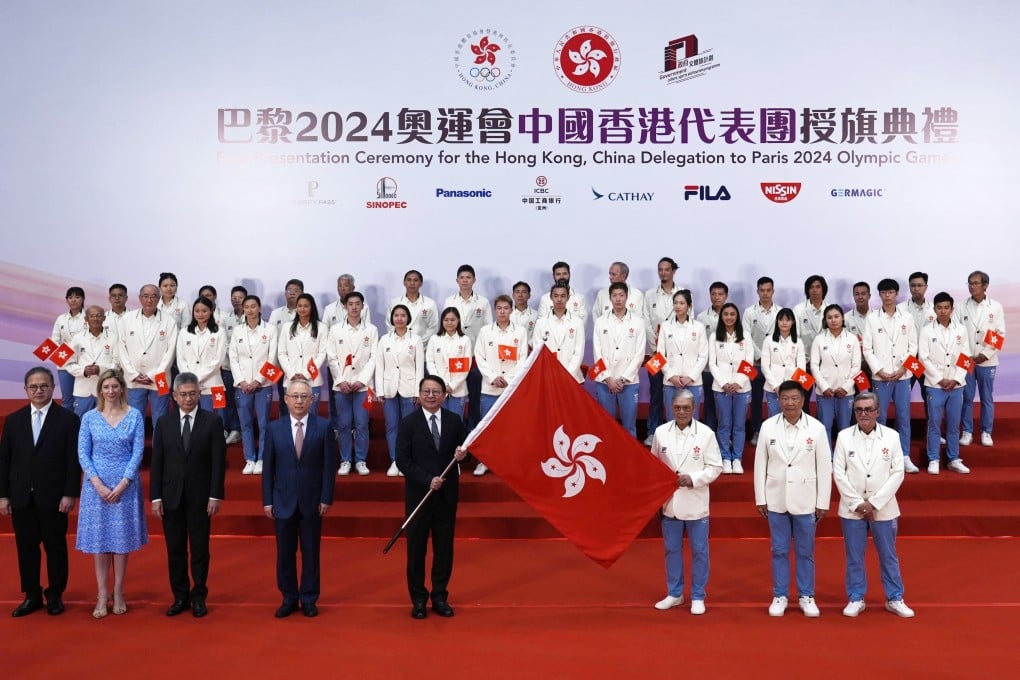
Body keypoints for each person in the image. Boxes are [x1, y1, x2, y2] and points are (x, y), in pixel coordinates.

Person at [0, 367, 81, 617]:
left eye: (44, 386)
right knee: (26, 548)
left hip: (54, 497)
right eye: (33, 386)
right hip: (22, 497)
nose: (39, 390)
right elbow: (4, 460)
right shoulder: (14, 420)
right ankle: (31, 595)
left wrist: (70, 493)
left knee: (55, 547)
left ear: (53, 388)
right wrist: (3, 495)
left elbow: (72, 460)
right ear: (25, 390)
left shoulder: (68, 419)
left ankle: (55, 594)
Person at [150, 372, 227, 618]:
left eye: (192, 393)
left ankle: (199, 596)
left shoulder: (212, 422)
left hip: (201, 499)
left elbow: (218, 462)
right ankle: (180, 596)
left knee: (200, 550)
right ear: (174, 396)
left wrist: (215, 496)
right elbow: (157, 462)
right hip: (171, 497)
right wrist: (156, 497)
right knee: (175, 550)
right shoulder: (164, 423)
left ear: (199, 394)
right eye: (183, 394)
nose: (188, 398)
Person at [832, 391, 914, 618]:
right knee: (854, 556)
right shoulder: (844, 436)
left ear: (878, 411)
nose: (863, 414)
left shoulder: (892, 437)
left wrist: (874, 503)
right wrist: (858, 503)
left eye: (868, 409)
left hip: (884, 508)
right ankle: (856, 597)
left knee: (888, 555)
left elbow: (898, 473)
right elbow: (839, 473)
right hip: (852, 508)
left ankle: (895, 597)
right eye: (859, 410)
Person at [754, 380, 832, 618]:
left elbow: (824, 468)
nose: (789, 403)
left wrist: (823, 502)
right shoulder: (768, 427)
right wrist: (760, 497)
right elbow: (760, 465)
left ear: (803, 400)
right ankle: (780, 595)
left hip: (806, 500)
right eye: (785, 398)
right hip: (776, 498)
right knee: (778, 550)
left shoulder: (816, 429)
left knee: (805, 551)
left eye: (794, 398)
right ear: (779, 401)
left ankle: (807, 595)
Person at [76, 369, 148, 619]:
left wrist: (122, 484)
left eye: (114, 386)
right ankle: (101, 594)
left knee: (120, 541)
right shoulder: (89, 418)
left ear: (122, 389)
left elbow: (137, 452)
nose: (110, 391)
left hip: (125, 487)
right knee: (100, 542)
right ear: (100, 391)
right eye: (106, 387)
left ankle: (118, 592)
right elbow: (83, 453)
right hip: (96, 487)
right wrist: (97, 484)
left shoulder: (135, 416)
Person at [262, 378, 336, 618]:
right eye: (294, 396)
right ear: (285, 399)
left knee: (311, 552)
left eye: (304, 396)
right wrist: (267, 500)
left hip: (312, 502)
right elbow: (268, 468)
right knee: (284, 553)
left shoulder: (324, 427)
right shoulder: (274, 428)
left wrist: (326, 498)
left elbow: (328, 467)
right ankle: (288, 597)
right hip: (282, 501)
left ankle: (309, 597)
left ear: (312, 399)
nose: (299, 400)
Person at [396, 375, 469, 619]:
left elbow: (464, 451)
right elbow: (403, 460)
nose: (430, 395)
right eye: (426, 391)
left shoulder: (454, 420)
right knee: (416, 549)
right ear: (419, 394)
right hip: (419, 496)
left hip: (447, 496)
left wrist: (462, 455)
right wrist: (427, 479)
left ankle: (440, 596)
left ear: (444, 395)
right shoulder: (408, 423)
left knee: (444, 548)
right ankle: (418, 599)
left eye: (435, 391)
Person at [650, 390, 722, 615]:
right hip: (670, 502)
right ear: (671, 408)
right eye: (677, 407)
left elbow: (715, 467)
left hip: (695, 500)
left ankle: (698, 595)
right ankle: (675, 593)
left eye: (686, 408)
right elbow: (654, 466)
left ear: (695, 408)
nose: (681, 412)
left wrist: (694, 479)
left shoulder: (706, 434)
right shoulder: (661, 432)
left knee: (700, 551)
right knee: (672, 550)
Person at [862, 279, 919, 473]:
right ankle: (881, 456)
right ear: (879, 295)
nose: (887, 295)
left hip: (902, 376)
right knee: (881, 415)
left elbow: (914, 346)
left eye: (891, 292)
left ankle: (904, 455)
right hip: (881, 376)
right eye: (884, 292)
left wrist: (903, 369)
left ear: (896, 294)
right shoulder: (872, 319)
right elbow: (867, 349)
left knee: (904, 416)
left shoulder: (907, 318)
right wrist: (879, 371)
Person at [473, 295, 529, 474]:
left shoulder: (519, 332)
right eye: (499, 308)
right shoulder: (485, 332)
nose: (503, 311)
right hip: (490, 387)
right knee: (488, 426)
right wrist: (492, 377)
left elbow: (522, 358)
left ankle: (509, 461)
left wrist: (509, 380)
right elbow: (480, 358)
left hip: (511, 388)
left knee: (512, 427)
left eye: (506, 308)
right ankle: (484, 461)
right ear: (495, 310)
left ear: (511, 310)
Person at [919, 292, 972, 474]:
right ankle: (933, 458)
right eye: (939, 307)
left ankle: (953, 458)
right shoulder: (926, 331)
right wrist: (939, 379)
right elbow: (923, 358)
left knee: (953, 423)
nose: (943, 311)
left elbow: (966, 357)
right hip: (935, 385)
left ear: (952, 309)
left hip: (957, 385)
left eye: (946, 307)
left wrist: (956, 378)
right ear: (934, 309)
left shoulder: (961, 330)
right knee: (934, 423)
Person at [327, 291, 378, 476]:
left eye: (358, 304)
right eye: (351, 304)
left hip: (364, 387)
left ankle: (361, 460)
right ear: (346, 307)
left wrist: (361, 380)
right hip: (342, 386)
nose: (354, 307)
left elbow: (374, 357)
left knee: (362, 423)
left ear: (363, 307)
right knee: (344, 424)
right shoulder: (335, 330)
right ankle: (346, 459)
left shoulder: (371, 330)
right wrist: (340, 380)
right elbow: (331, 358)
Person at [229, 294, 278, 475]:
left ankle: (262, 458)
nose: (249, 310)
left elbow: (271, 358)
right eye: (246, 307)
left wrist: (258, 380)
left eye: (253, 306)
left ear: (259, 308)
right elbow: (233, 357)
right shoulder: (237, 331)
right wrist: (242, 381)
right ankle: (249, 458)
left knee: (264, 423)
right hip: (242, 385)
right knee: (246, 423)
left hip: (262, 385)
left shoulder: (270, 330)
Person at [956, 270, 1006, 448]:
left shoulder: (996, 307)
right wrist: (967, 355)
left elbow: (999, 334)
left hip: (988, 360)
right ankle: (967, 431)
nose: (972, 286)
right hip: (966, 359)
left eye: (976, 283)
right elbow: (956, 333)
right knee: (966, 397)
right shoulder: (961, 307)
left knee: (986, 397)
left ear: (985, 286)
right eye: (969, 282)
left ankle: (986, 432)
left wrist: (985, 353)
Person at [118, 284, 178, 426]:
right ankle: (136, 448)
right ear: (140, 298)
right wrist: (133, 374)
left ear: (159, 299)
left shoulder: (169, 321)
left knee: (161, 418)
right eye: (145, 296)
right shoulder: (127, 319)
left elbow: (171, 352)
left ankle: (159, 448)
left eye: (153, 296)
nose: (149, 300)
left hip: (161, 378)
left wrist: (154, 375)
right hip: (134, 378)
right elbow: (121, 349)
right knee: (134, 418)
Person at [592, 282, 646, 438]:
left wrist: (622, 380)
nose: (618, 299)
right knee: (605, 424)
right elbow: (597, 353)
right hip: (605, 381)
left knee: (629, 426)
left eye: (621, 295)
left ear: (627, 297)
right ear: (609, 298)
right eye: (614, 296)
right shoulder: (601, 321)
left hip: (628, 381)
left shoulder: (637, 322)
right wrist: (608, 378)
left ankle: (630, 459)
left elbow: (639, 354)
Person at [377, 304, 424, 476]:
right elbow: (379, 366)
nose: (399, 318)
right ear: (392, 318)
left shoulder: (416, 339)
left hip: (409, 388)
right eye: (396, 315)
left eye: (403, 315)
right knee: (392, 426)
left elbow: (420, 367)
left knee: (409, 427)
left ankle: (407, 461)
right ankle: (395, 460)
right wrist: (380, 390)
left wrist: (418, 392)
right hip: (389, 389)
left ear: (408, 318)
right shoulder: (384, 339)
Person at [443, 265, 491, 430]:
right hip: (455, 355)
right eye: (462, 277)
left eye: (468, 277)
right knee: (457, 393)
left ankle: (473, 430)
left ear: (474, 280)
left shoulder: (483, 302)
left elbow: (487, 329)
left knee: (475, 395)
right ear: (457, 280)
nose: (465, 280)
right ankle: (457, 430)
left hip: (476, 356)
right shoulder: (450, 301)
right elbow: (447, 326)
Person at [708, 303, 754, 474]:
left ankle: (737, 459)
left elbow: (749, 363)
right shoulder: (714, 336)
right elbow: (712, 363)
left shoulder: (746, 336)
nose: (729, 317)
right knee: (724, 424)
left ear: (737, 316)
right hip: (721, 388)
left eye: (732, 314)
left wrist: (738, 382)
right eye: (726, 314)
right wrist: (724, 383)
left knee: (739, 425)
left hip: (742, 388)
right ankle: (726, 458)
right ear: (721, 317)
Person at [811, 304, 861, 444]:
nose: (833, 320)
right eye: (830, 317)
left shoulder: (852, 339)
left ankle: (843, 457)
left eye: (836, 316)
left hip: (846, 391)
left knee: (845, 428)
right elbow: (814, 365)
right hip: (825, 391)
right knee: (825, 426)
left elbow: (856, 366)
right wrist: (824, 386)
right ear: (825, 320)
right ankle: (828, 458)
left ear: (843, 318)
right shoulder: (819, 339)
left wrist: (846, 387)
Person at [644, 257, 681, 443]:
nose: (663, 273)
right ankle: (653, 430)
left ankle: (675, 429)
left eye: (667, 269)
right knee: (656, 392)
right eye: (660, 269)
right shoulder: (650, 295)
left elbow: (684, 323)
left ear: (674, 271)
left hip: (676, 355)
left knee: (676, 393)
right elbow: (646, 322)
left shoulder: (682, 293)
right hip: (654, 355)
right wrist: (656, 347)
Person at [657, 289, 708, 421]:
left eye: (681, 303)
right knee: (671, 418)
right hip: (670, 381)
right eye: (675, 303)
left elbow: (703, 356)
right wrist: (671, 376)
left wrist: (690, 377)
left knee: (692, 418)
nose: (678, 306)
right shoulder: (665, 326)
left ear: (689, 306)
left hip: (693, 381)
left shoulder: (698, 327)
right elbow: (659, 355)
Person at [65, 305, 120, 417]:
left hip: (106, 390)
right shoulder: (77, 338)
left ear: (104, 318)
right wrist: (83, 371)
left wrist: (101, 369)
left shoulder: (113, 337)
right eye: (92, 316)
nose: (95, 319)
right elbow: (68, 363)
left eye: (99, 316)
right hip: (82, 390)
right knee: (81, 424)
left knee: (106, 423)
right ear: (86, 319)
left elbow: (118, 364)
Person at [175, 297, 228, 413]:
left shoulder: (219, 332)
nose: (200, 314)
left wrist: (196, 377)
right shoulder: (185, 332)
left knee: (212, 420)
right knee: (190, 418)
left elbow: (218, 360)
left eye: (204, 311)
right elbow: (180, 359)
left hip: (212, 383)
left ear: (211, 311)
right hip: (188, 385)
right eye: (197, 311)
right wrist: (190, 379)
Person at [277, 293, 327, 405]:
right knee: (294, 416)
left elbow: (322, 354)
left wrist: (306, 373)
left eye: (306, 306)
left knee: (312, 415)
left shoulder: (321, 328)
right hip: (291, 378)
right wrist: (291, 373)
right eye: (299, 306)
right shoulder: (287, 327)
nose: (302, 309)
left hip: (312, 380)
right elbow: (281, 353)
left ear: (311, 307)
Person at [532, 282, 586, 383]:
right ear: (551, 297)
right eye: (556, 296)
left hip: (572, 377)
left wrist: (567, 374)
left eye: (563, 296)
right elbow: (537, 351)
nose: (559, 299)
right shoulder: (541, 323)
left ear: (568, 298)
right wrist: (550, 374)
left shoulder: (577, 322)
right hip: (548, 377)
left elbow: (579, 352)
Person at [898, 271, 935, 412]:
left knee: (930, 397)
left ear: (926, 287)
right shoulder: (900, 309)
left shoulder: (934, 309)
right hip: (909, 360)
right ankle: (901, 432)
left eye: (920, 285)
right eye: (913, 285)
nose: (916, 289)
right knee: (903, 399)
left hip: (928, 360)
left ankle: (932, 432)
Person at [427, 308, 473, 420]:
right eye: (446, 320)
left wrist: (452, 385)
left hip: (457, 389)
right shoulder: (434, 339)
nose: (449, 323)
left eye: (452, 320)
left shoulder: (465, 340)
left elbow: (465, 366)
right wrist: (441, 384)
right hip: (438, 390)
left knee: (456, 422)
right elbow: (430, 362)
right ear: (442, 321)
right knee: (439, 421)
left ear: (458, 321)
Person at [268, 279, 305, 416]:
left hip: (299, 364)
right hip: (280, 363)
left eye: (296, 291)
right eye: (289, 290)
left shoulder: (305, 312)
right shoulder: (276, 313)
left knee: (300, 395)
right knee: (284, 396)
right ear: (285, 293)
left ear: (302, 293)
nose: (292, 293)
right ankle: (284, 423)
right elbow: (270, 337)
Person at [760, 308, 806, 417]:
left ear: (793, 322)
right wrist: (776, 386)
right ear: (777, 322)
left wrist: (791, 386)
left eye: (788, 320)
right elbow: (765, 366)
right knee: (774, 418)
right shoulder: (769, 340)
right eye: (781, 320)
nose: (784, 323)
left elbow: (801, 368)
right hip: (773, 388)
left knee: (791, 417)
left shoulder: (798, 342)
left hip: (792, 388)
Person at [696, 281, 728, 429]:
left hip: (726, 369)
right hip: (708, 368)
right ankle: (709, 431)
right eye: (713, 294)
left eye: (720, 294)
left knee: (724, 404)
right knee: (709, 401)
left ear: (726, 296)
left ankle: (723, 434)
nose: (717, 297)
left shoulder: (731, 315)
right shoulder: (701, 317)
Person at [51, 286, 86, 411]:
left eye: (77, 297)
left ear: (83, 299)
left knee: (84, 398)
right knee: (67, 399)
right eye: (70, 297)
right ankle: (68, 429)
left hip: (84, 362)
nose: (74, 300)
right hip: (64, 363)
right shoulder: (61, 318)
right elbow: (54, 340)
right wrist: (60, 355)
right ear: (66, 300)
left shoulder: (89, 317)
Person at [387, 270, 439, 346]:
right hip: (399, 346)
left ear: (421, 283)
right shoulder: (395, 302)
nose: (412, 283)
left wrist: (418, 343)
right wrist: (401, 342)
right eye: (409, 280)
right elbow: (390, 325)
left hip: (423, 347)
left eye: (415, 280)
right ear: (404, 283)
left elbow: (433, 328)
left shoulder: (430, 303)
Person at [793, 274, 829, 356]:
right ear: (807, 290)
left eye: (818, 287)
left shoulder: (831, 309)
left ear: (823, 289)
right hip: (804, 358)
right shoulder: (798, 309)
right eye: (811, 287)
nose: (814, 290)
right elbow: (795, 335)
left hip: (827, 358)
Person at [509, 281, 539, 347]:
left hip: (530, 351)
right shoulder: (507, 314)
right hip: (510, 351)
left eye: (524, 292)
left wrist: (528, 346)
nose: (520, 295)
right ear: (513, 295)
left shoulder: (536, 315)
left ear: (529, 295)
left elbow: (538, 334)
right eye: (517, 292)